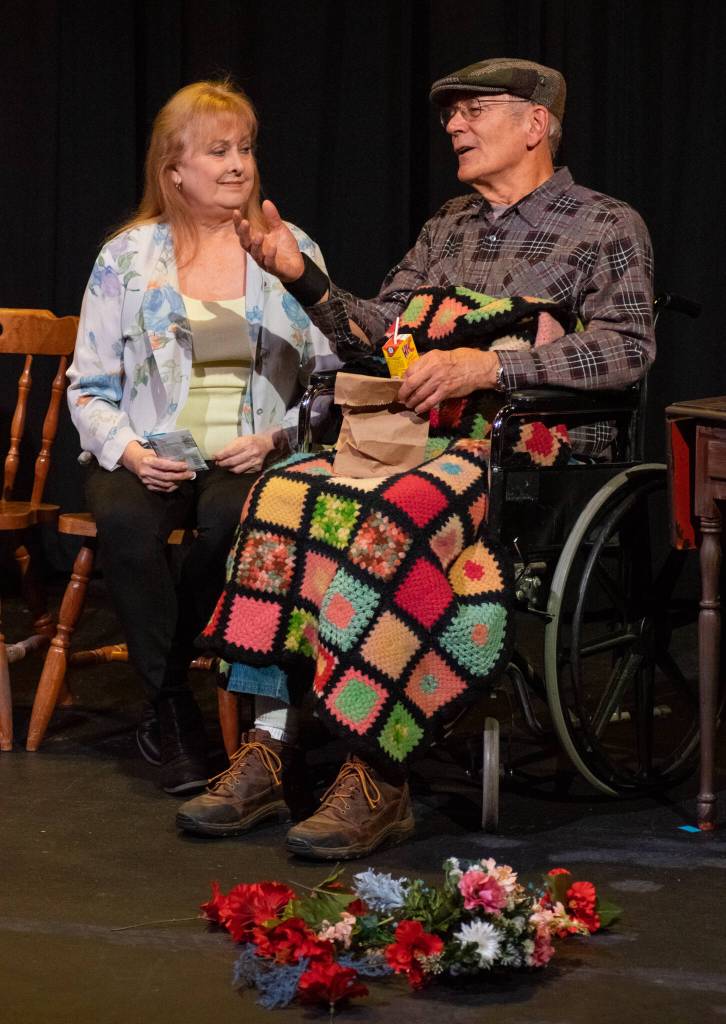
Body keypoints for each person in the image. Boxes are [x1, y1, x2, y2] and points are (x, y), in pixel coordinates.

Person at [176, 58, 655, 854]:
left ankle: (377, 770)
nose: (453, 126)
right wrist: (301, 277)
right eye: (449, 115)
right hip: (415, 434)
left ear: (535, 124)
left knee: (388, 518)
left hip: (525, 449)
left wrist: (492, 366)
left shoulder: (604, 225)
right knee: (280, 495)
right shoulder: (449, 227)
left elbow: (628, 348)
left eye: (473, 111)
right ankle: (268, 747)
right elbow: (378, 335)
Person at [67, 80, 337, 795]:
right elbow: (89, 385)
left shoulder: (289, 248)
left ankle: (172, 672)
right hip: (147, 448)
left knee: (228, 520)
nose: (237, 165)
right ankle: (170, 705)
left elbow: (330, 377)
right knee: (123, 521)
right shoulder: (127, 257)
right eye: (217, 151)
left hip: (250, 453)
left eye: (245, 149)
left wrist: (278, 438)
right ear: (174, 169)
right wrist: (127, 450)